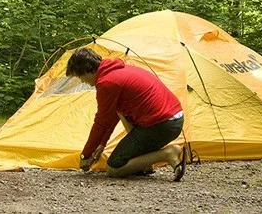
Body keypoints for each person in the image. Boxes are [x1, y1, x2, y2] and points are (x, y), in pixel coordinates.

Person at [65, 47, 186, 180]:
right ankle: (146, 165)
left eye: (80, 76)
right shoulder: (118, 70)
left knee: (114, 167)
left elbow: (101, 122)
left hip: (161, 125)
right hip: (174, 119)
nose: (83, 81)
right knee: (122, 114)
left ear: (87, 70)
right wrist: (102, 144)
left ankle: (168, 153)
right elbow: (111, 116)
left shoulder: (107, 82)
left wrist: (85, 155)